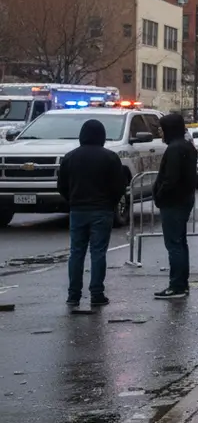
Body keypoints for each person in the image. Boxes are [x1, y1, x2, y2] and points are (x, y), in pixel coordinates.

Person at [57, 119, 127, 308]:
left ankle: (73, 295)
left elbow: (62, 185)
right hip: (102, 210)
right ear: (102, 136)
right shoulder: (110, 157)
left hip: (78, 210)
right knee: (98, 253)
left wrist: (72, 200)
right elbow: (119, 186)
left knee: (76, 253)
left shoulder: (70, 157)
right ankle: (97, 294)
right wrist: (110, 203)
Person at [153, 113, 198, 299]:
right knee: (180, 242)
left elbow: (170, 179)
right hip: (184, 199)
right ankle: (181, 283)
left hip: (173, 202)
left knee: (174, 244)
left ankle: (177, 285)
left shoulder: (174, 149)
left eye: (162, 129)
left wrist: (160, 195)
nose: (160, 132)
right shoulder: (187, 146)